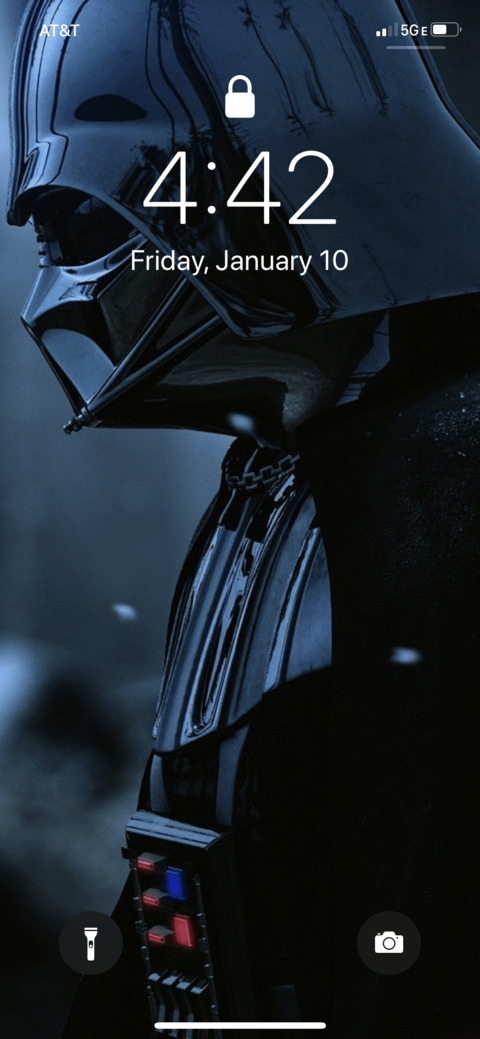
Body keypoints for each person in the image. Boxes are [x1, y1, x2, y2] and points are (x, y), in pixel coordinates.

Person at [7, 1, 480, 1035]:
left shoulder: (445, 488)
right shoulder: (283, 468)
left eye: (85, 227)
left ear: (238, 209)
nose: (69, 287)